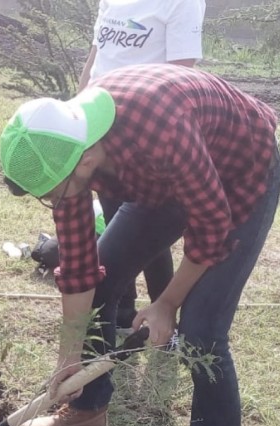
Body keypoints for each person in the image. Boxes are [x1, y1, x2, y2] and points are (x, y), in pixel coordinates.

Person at [0, 64, 280, 426]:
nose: (54, 203)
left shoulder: (160, 128)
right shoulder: (69, 149)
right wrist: (68, 355)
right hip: (162, 178)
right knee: (100, 289)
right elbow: (79, 269)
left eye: (52, 195)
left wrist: (166, 304)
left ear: (85, 162)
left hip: (240, 173)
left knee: (201, 329)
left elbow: (210, 231)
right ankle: (88, 408)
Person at [77, 0, 206, 330]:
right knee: (115, 215)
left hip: (144, 130)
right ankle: (122, 309)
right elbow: (97, 57)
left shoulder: (182, 3)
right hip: (99, 126)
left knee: (147, 222)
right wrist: (77, 110)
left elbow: (181, 75)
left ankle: (163, 314)